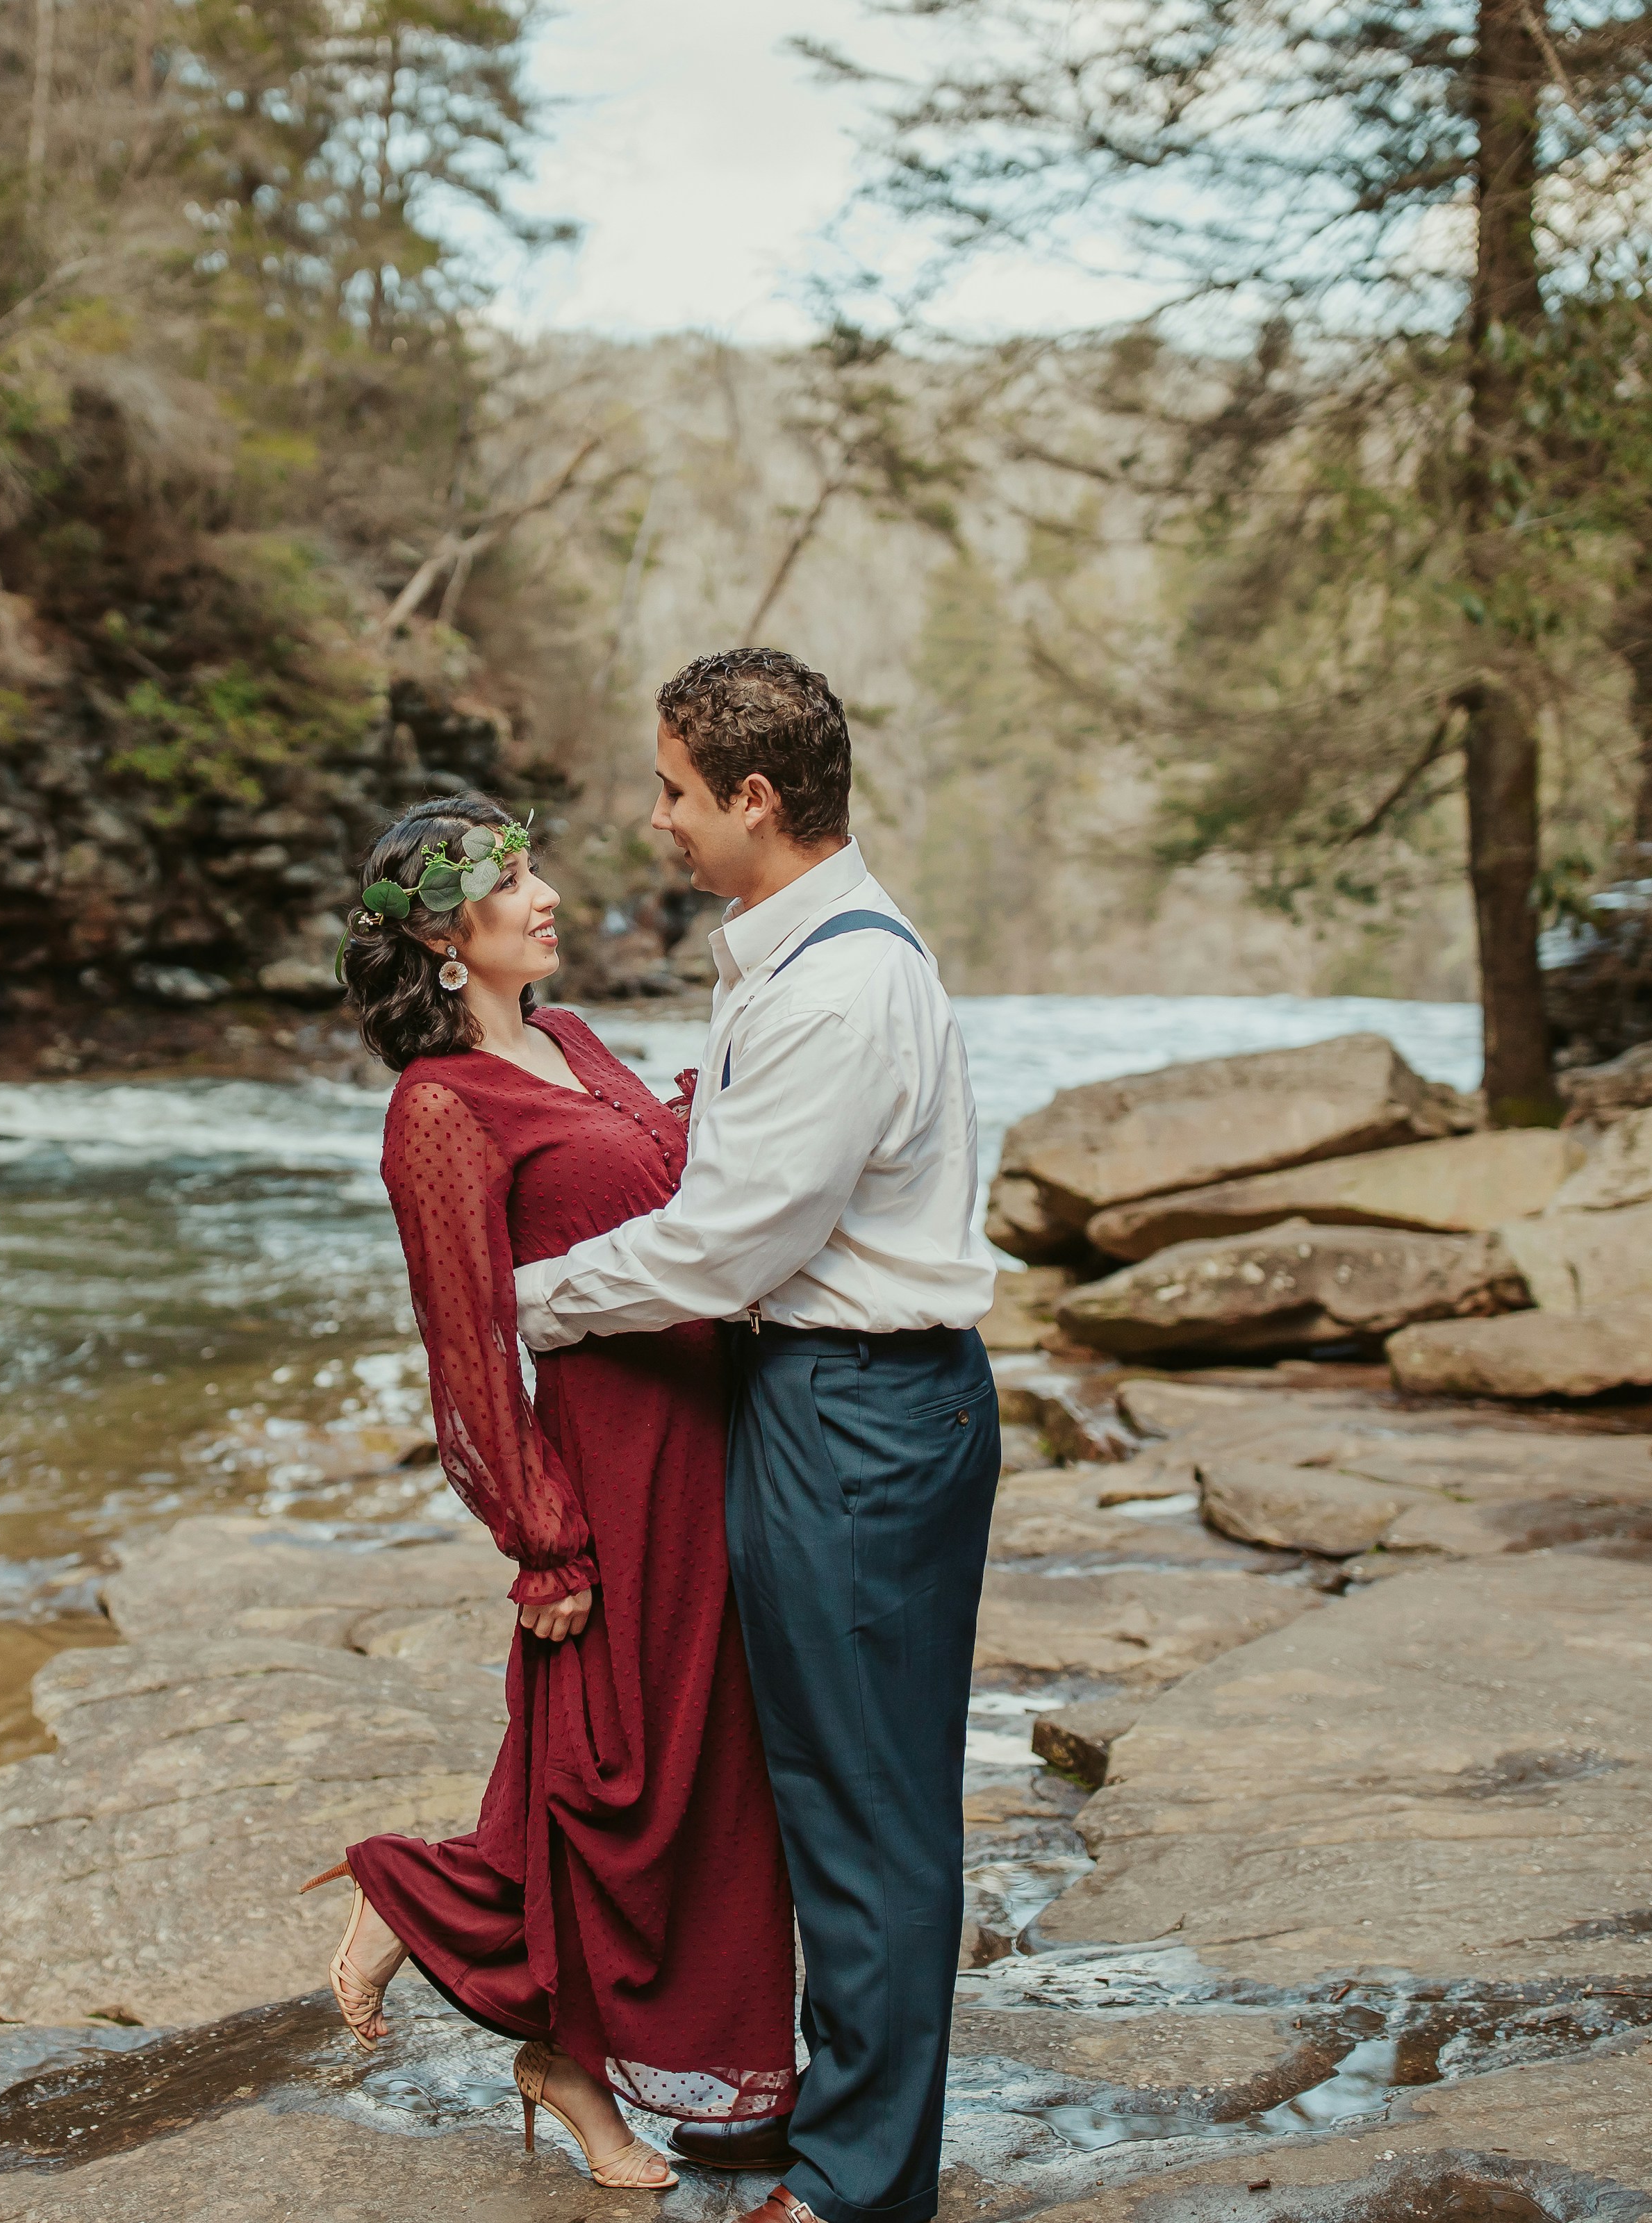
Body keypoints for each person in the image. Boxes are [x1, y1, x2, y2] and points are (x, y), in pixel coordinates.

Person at [515, 648, 1002, 2223]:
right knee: (824, 1790)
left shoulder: (845, 984)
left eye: (672, 791)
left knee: (866, 1817)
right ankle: (829, 2125)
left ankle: (859, 2191)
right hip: (829, 1401)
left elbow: (726, 1251)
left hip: (860, 1412)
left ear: (755, 799)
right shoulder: (791, 957)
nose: (655, 822)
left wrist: (529, 1298)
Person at [303, 792, 799, 2191]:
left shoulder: (577, 1041)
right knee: (616, 1766)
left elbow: (670, 1187)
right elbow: (466, 1344)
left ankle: (591, 2053)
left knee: (708, 1759)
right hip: (613, 1461)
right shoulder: (439, 1109)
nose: (550, 895)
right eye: (513, 883)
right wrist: (542, 1539)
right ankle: (443, 1924)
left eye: (534, 870)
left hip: (717, 1432)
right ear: (450, 939)